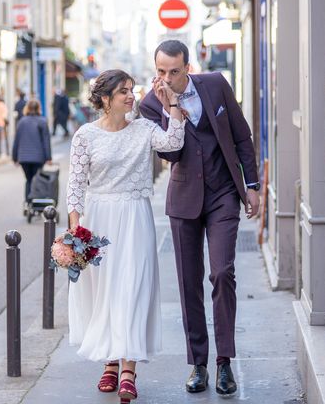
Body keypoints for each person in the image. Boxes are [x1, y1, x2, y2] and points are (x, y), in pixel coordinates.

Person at [139, 40, 260, 396]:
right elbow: (172, 154)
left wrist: (252, 185)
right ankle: (199, 363)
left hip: (223, 194)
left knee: (222, 272)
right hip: (184, 201)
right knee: (188, 283)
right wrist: (172, 108)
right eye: (160, 71)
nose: (166, 78)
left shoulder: (216, 84)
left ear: (187, 69)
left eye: (174, 72)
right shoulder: (150, 105)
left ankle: (225, 362)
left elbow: (242, 136)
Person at [67, 69, 185, 403]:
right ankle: (109, 360)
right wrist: (76, 231)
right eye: (123, 92)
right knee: (104, 290)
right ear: (105, 99)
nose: (131, 96)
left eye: (132, 90)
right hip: (99, 219)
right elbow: (75, 185)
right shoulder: (85, 136)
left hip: (135, 216)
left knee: (132, 288)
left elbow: (173, 142)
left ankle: (129, 368)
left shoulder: (145, 129)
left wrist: (172, 104)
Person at [12, 99, 51, 203]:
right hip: (38, 158)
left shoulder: (21, 121)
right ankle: (35, 203)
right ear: (39, 108)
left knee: (28, 180)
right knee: (36, 180)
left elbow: (16, 141)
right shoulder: (42, 121)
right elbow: (46, 141)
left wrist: (14, 158)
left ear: (27, 108)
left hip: (23, 158)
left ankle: (28, 203)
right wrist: (48, 158)